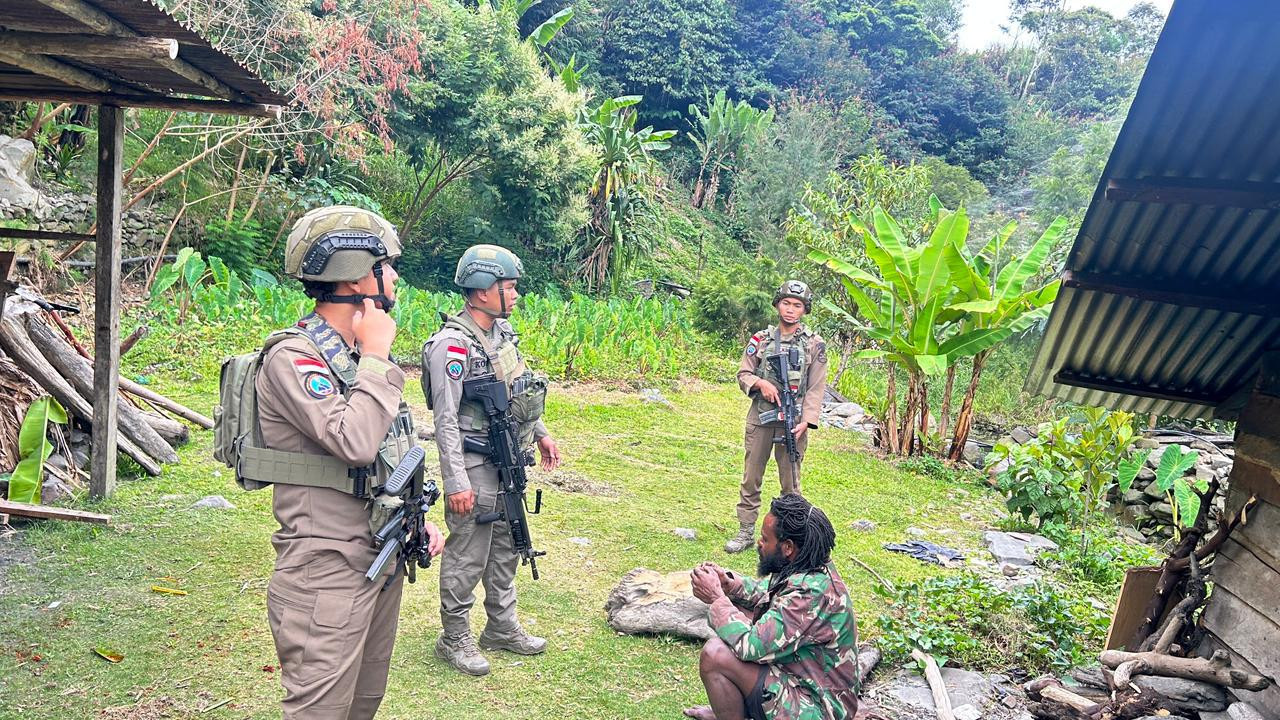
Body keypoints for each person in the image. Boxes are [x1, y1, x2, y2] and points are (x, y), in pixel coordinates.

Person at [253, 205, 444, 719]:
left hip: (380, 555)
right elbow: (354, 442)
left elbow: (387, 451)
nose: (395, 277)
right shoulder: (295, 358)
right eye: (386, 266)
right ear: (356, 275)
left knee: (363, 701)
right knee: (321, 711)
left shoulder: (351, 353)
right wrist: (378, 356)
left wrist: (414, 520)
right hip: (327, 570)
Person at [422, 244, 562, 676]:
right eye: (509, 287)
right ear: (483, 290)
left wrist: (541, 433)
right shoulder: (451, 346)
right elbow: (445, 421)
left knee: (507, 545)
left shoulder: (503, 336)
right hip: (474, 462)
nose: (516, 295)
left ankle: (501, 626)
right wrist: (456, 482)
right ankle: (454, 636)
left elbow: (518, 390)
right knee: (468, 551)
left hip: (509, 458)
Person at [687, 494, 859, 720]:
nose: (759, 543)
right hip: (801, 681)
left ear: (788, 547)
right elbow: (770, 597)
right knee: (740, 611)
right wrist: (730, 585)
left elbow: (750, 645)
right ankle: (729, 711)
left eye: (764, 539)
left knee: (715, 654)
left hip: (819, 709)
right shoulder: (806, 565)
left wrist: (716, 598)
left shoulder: (810, 594)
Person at [725, 281, 828, 554]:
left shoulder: (814, 344)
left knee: (791, 484)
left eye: (797, 305)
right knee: (751, 476)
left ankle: (790, 538)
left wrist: (807, 420)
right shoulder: (761, 340)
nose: (791, 310)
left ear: (805, 309)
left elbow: (816, 387)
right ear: (777, 304)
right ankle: (746, 531)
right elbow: (744, 374)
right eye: (786, 303)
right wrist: (761, 384)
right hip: (761, 417)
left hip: (794, 421)